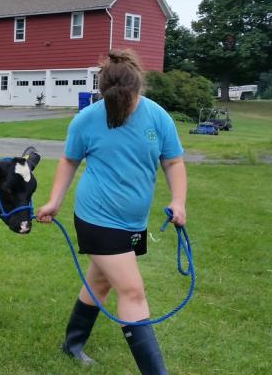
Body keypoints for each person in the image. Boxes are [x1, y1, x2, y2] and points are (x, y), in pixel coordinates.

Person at [36, 49, 186, 374]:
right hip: (96, 217)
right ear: (103, 94)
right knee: (132, 291)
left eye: (127, 100)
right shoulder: (86, 120)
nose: (120, 107)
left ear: (138, 90)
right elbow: (69, 160)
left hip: (133, 221)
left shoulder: (158, 117)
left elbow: (172, 161)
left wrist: (179, 201)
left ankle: (72, 344)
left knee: (100, 282)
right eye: (112, 100)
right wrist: (54, 201)